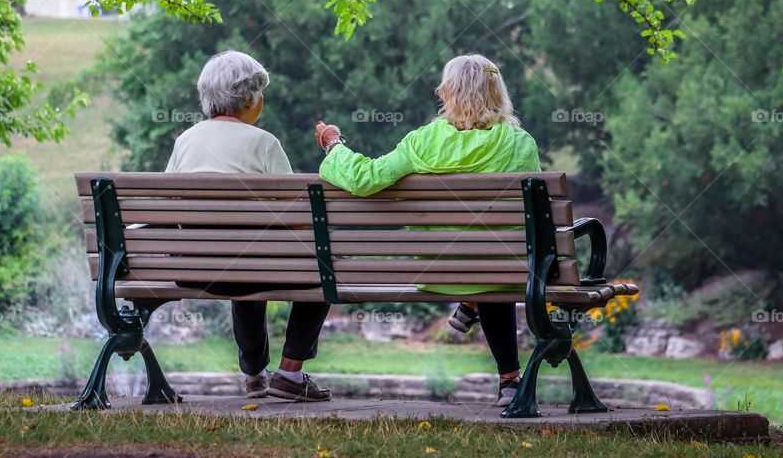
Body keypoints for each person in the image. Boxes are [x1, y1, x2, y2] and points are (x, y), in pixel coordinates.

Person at [314, 53, 540, 406]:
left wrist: (333, 145)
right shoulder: (520, 144)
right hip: (507, 270)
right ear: (497, 92)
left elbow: (365, 178)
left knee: (479, 259)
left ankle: (471, 303)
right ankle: (509, 380)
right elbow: (527, 217)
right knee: (493, 261)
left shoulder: (423, 143)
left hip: (440, 269)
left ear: (448, 93)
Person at [166, 49, 331, 402]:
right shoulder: (264, 143)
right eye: (261, 92)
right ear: (250, 98)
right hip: (250, 267)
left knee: (243, 262)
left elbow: (170, 208)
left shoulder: (185, 141)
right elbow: (297, 218)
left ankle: (255, 375)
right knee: (323, 267)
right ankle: (289, 372)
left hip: (194, 270)